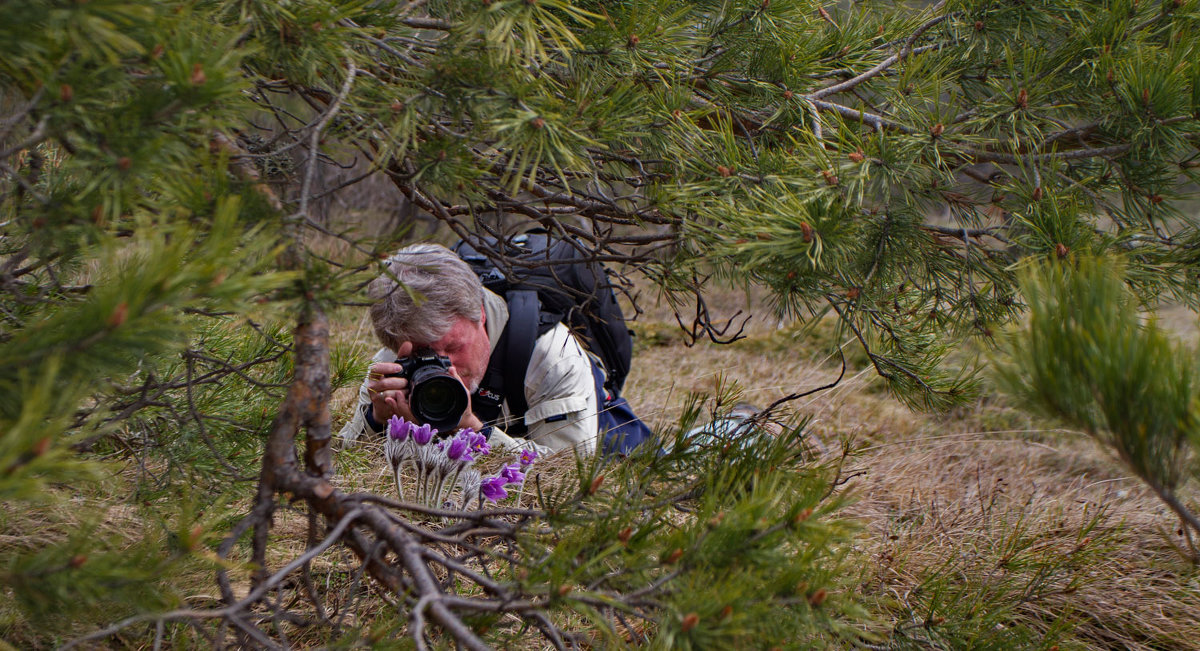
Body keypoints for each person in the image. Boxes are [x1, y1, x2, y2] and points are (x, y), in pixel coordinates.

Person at [338, 243, 604, 454]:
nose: (447, 367)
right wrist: (376, 421)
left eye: (452, 346)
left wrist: (471, 430)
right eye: (424, 354)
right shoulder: (397, 358)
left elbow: (571, 474)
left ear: (480, 313)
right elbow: (344, 457)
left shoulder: (552, 359)